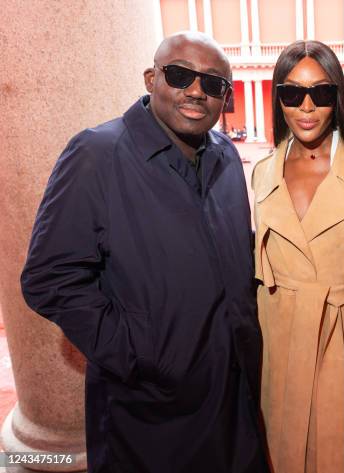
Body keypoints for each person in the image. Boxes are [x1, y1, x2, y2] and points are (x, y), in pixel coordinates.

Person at [21, 32, 268, 473]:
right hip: (148, 412)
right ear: (152, 78)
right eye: (180, 75)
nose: (196, 91)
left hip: (231, 396)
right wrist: (139, 354)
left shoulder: (227, 156)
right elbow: (49, 279)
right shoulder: (97, 153)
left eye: (213, 84)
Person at [251, 40, 344, 473]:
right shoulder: (261, 171)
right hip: (279, 334)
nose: (306, 107)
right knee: (281, 451)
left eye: (321, 93)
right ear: (279, 99)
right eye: (292, 93)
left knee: (342, 454)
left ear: (337, 97)